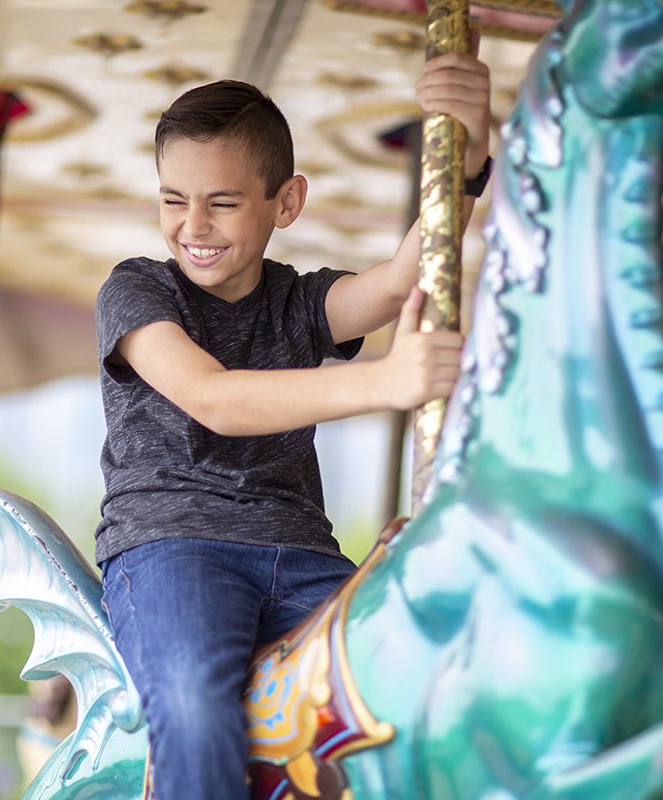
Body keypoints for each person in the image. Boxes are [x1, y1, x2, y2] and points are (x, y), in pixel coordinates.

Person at [93, 46, 491, 799]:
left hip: (301, 553)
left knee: (413, 682)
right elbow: (214, 398)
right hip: (174, 549)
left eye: (223, 201)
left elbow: (405, 277)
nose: (192, 224)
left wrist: (467, 153)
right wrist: (382, 382)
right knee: (195, 707)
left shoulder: (298, 301)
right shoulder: (136, 290)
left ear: (287, 201)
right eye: (173, 198)